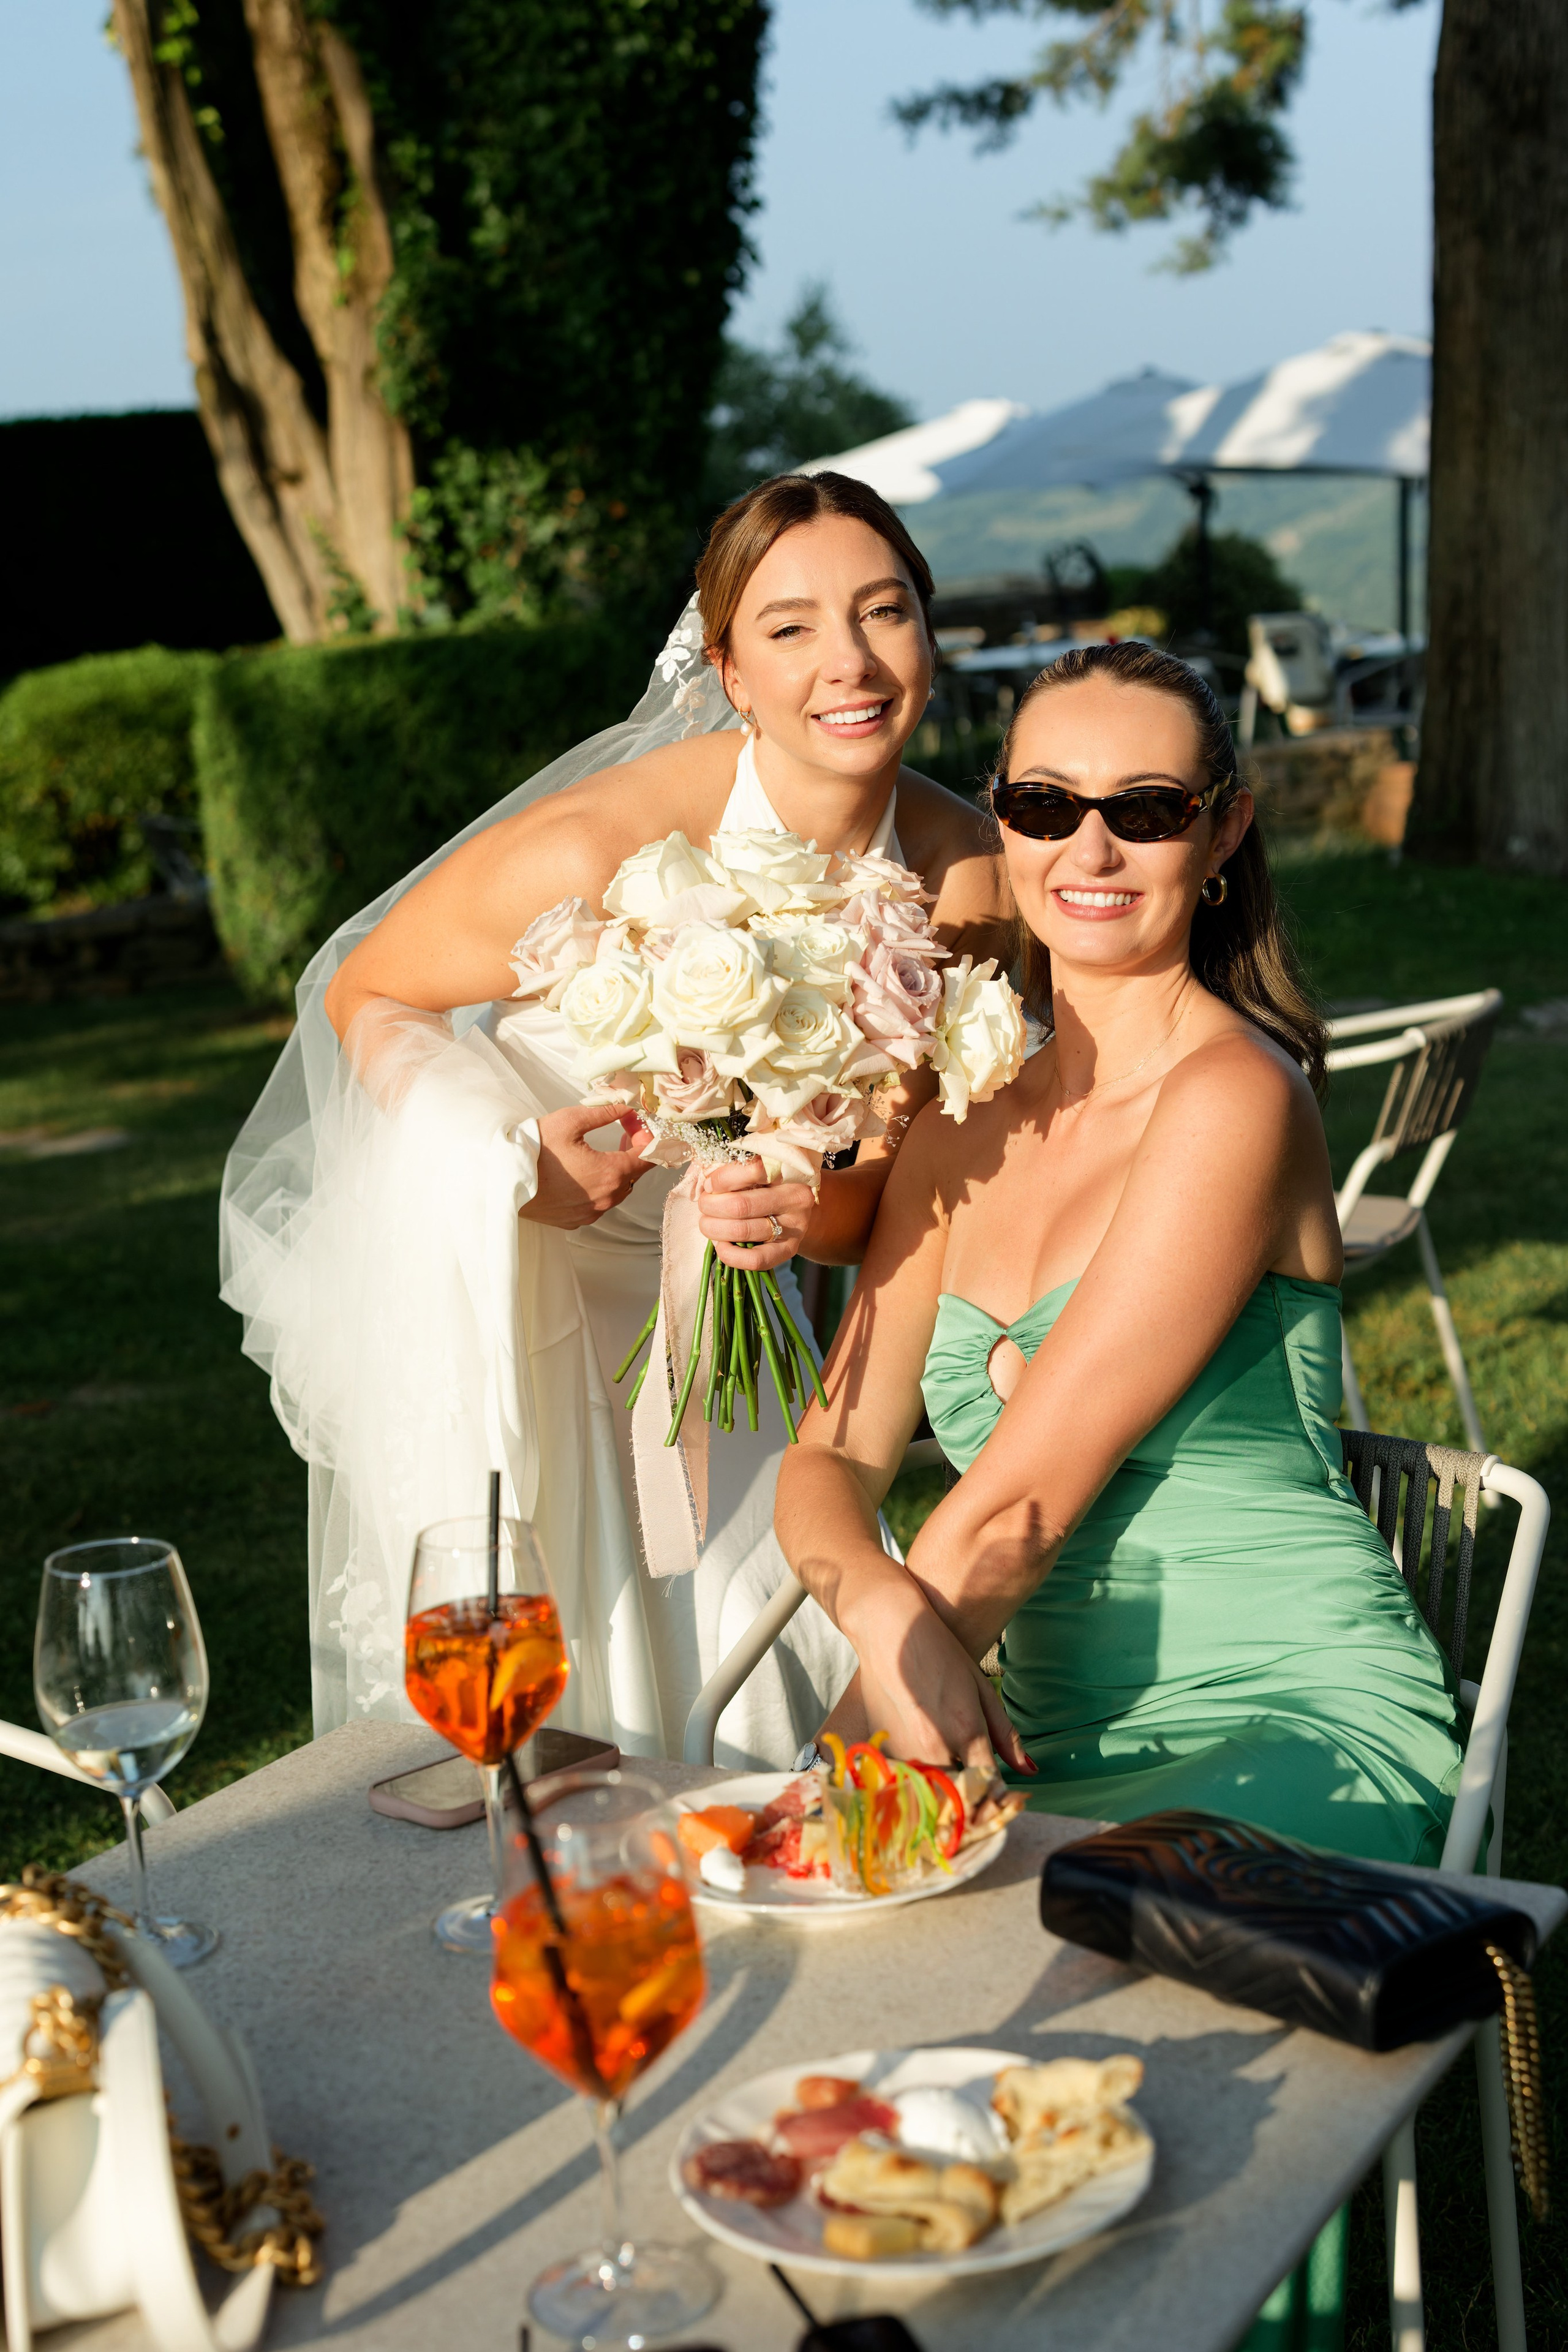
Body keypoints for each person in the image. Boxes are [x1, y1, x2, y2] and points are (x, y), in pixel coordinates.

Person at [219, 470, 1008, 1762]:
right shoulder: (604, 846)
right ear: (729, 671)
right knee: (553, 1681)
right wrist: (500, 1161)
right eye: (791, 628)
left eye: (883, 612)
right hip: (536, 1297)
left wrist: (811, 1208)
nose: (849, 662)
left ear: (928, 630)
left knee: (760, 1655)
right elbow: (365, 991)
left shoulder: (963, 876)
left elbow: (893, 1186)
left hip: (740, 1325)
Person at [776, 638, 1462, 1869]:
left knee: (995, 1930)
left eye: (1143, 812)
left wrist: (835, 1784)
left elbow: (1022, 1507)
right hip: (1035, 1734)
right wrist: (875, 1608)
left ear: (1220, 836)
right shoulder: (956, 1126)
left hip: (1280, 1716)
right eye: (1044, 804)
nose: (1087, 851)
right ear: (1002, 821)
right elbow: (830, 1451)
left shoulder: (1231, 1100)